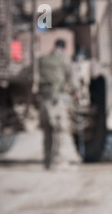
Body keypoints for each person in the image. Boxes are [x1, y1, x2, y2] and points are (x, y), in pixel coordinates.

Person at [38, 39, 77, 170]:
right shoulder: (63, 59)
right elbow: (72, 77)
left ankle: (47, 162)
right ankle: (58, 162)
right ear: (64, 48)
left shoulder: (43, 59)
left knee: (47, 131)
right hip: (56, 100)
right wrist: (76, 92)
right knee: (60, 130)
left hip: (44, 100)